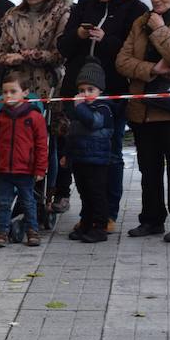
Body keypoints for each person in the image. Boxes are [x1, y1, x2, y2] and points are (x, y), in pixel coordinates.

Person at [54, 0, 147, 230]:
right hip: (77, 92)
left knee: (111, 155)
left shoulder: (135, 9)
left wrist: (105, 39)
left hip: (112, 96)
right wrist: (80, 35)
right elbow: (63, 46)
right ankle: (88, 214)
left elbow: (131, 54)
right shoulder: (84, 5)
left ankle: (108, 214)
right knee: (80, 155)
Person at [115, 0, 170, 241]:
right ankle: (151, 219)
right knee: (148, 168)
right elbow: (122, 61)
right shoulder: (140, 21)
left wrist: (161, 30)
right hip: (143, 109)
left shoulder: (159, 23)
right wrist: (154, 68)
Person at [0, 72, 48, 247]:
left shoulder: (35, 117)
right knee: (3, 202)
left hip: (25, 170)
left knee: (28, 202)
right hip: (4, 170)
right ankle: (2, 232)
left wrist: (41, 169)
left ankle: (32, 231)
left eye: (13, 91)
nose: (8, 96)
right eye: (5, 92)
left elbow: (42, 145)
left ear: (25, 93)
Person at [0, 0, 70, 103]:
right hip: (16, 90)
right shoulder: (12, 16)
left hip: (50, 88)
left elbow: (60, 55)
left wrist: (27, 56)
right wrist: (8, 58)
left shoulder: (61, 15)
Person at [64, 58, 115, 243]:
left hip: (97, 160)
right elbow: (72, 133)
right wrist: (67, 155)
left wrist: (80, 107)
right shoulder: (79, 110)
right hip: (80, 158)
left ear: (100, 90)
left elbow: (94, 122)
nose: (85, 94)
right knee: (84, 193)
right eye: (82, 90)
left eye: (90, 90)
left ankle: (100, 226)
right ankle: (85, 223)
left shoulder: (104, 108)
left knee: (97, 193)